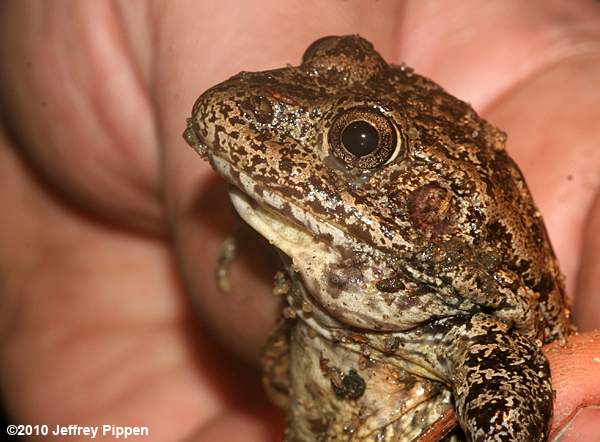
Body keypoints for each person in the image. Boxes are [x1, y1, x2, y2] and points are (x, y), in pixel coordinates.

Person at [0, 1, 599, 440]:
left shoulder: (487, 343)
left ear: (434, 211)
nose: (272, 104)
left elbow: (513, 424)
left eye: (358, 141)